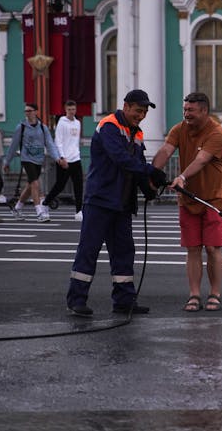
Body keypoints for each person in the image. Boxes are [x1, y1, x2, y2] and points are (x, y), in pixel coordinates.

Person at [66, 89, 167, 317]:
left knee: (124, 252)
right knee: (89, 250)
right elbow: (121, 159)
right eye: (138, 111)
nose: (140, 116)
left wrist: (148, 187)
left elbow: (137, 164)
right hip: (100, 200)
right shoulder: (109, 126)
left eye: (144, 113)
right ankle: (76, 300)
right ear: (126, 106)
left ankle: (124, 301)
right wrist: (152, 170)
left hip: (121, 204)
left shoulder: (136, 133)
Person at [152, 92, 222, 313]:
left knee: (213, 248)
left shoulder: (217, 133)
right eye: (185, 109)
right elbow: (166, 150)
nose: (186, 114)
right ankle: (194, 294)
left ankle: (215, 293)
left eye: (191, 110)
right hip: (188, 199)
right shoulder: (179, 129)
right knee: (192, 248)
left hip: (214, 199)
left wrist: (182, 178)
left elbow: (201, 159)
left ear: (204, 111)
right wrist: (150, 174)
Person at [3, 103, 67, 222]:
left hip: (38, 160)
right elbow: (13, 146)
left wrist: (58, 158)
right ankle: (39, 212)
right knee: (35, 184)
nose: (27, 113)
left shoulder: (43, 128)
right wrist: (7, 162)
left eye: (30, 111)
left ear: (36, 112)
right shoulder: (21, 127)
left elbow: (50, 144)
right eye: (26, 111)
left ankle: (17, 208)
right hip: (26, 159)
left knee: (30, 186)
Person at [43, 100, 85, 221]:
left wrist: (77, 154)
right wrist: (61, 157)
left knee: (78, 186)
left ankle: (78, 211)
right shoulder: (61, 122)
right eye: (69, 110)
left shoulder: (77, 123)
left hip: (76, 158)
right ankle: (45, 202)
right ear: (65, 110)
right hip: (64, 160)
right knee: (60, 185)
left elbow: (76, 141)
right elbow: (58, 141)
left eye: (73, 109)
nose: (72, 112)